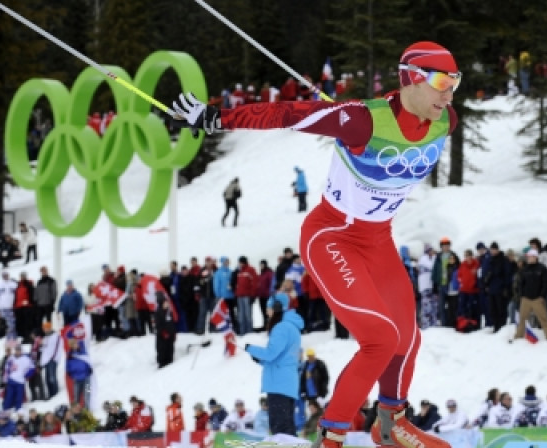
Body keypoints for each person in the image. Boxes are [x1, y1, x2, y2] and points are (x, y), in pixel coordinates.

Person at [173, 40, 461, 448]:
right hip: (333, 238)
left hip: (377, 241)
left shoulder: (445, 120)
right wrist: (214, 117)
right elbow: (287, 114)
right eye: (441, 81)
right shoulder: (360, 121)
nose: (449, 92)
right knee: (379, 339)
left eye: (455, 82)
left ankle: (391, 422)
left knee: (407, 337)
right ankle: (333, 438)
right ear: (412, 78)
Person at [245, 292, 303, 435]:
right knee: (287, 428)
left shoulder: (281, 327)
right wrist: (261, 359)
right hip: (286, 383)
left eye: (269, 307)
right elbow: (280, 357)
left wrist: (250, 348)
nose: (267, 311)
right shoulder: (291, 327)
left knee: (280, 429)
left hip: (279, 384)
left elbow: (271, 353)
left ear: (277, 307)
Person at [515, 249, 547, 341]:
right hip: (526, 299)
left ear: (535, 257)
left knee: (543, 319)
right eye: (528, 257)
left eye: (530, 256)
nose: (528, 258)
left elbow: (546, 283)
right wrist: (522, 295)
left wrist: (542, 296)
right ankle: (518, 337)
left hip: (538, 299)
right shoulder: (524, 269)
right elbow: (521, 283)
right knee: (522, 319)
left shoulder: (542, 268)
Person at [2, 344, 35, 411]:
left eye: (19, 350)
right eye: (17, 350)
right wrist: (5, 379)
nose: (18, 351)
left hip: (20, 382)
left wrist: (27, 375)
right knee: (9, 397)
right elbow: (6, 369)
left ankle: (18, 411)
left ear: (21, 351)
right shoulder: (11, 358)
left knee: (19, 398)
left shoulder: (26, 359)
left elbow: (32, 368)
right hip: (11, 381)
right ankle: (6, 410)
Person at [235, 256, 258, 335]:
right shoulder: (240, 271)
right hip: (240, 296)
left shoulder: (251, 270)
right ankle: (242, 331)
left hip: (247, 296)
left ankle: (249, 332)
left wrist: (253, 295)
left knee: (248, 314)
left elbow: (254, 283)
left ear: (244, 262)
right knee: (241, 315)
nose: (239, 264)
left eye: (240, 262)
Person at [65, 339, 92, 406]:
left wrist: (89, 368)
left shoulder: (83, 351)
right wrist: (70, 372)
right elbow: (68, 366)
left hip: (86, 377)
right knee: (76, 396)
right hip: (77, 378)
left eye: (75, 344)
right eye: (72, 345)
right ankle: (76, 411)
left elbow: (88, 361)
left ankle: (87, 410)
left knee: (87, 394)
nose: (74, 346)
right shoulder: (70, 355)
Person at [0, 271, 18, 340]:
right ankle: (8, 339)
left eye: (6, 275)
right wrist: (0, 304)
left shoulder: (13, 284)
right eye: (4, 275)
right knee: (6, 325)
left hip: (12, 308)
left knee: (13, 324)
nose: (5, 276)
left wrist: (14, 304)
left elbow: (17, 295)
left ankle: (14, 339)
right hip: (3, 308)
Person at [155, 292, 177, 368]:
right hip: (162, 337)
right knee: (163, 351)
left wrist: (173, 333)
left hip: (170, 336)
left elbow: (172, 323)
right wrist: (163, 332)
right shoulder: (158, 312)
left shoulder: (169, 312)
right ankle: (162, 363)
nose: (167, 304)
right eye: (165, 302)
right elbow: (158, 325)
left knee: (170, 350)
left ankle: (170, 361)